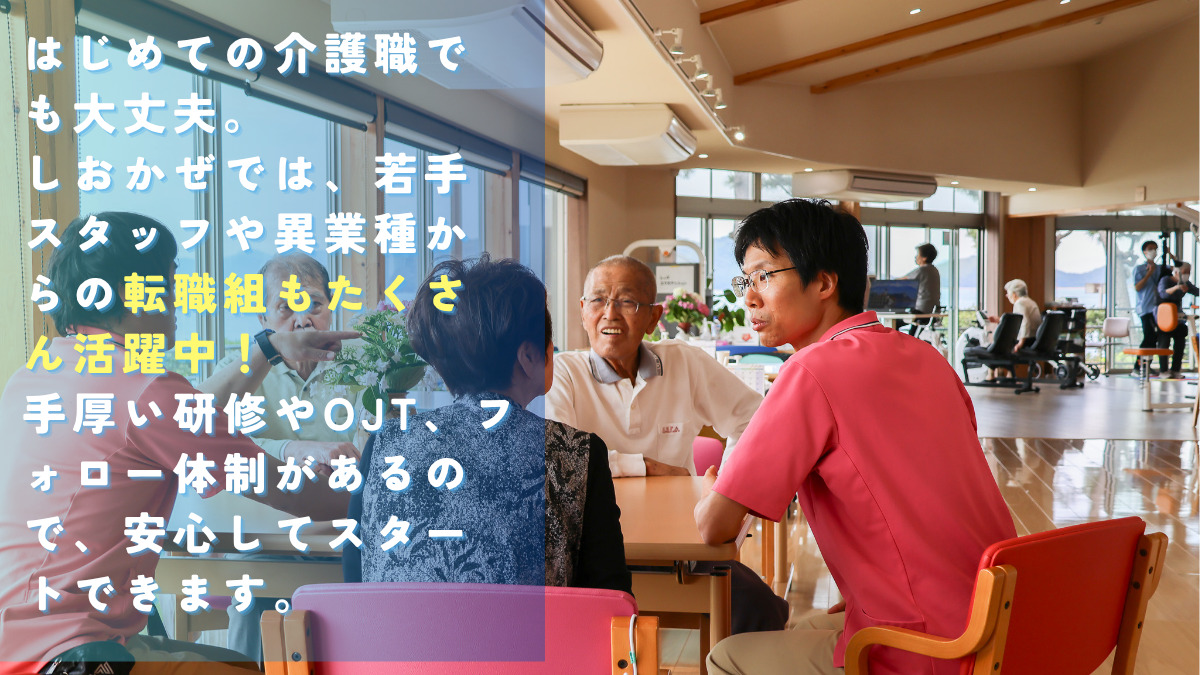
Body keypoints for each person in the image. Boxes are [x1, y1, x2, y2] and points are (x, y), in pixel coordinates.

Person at [0, 213, 356, 675]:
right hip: (69, 656)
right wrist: (390, 499)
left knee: (245, 664)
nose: (175, 303)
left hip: (20, 641)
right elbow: (296, 492)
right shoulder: (144, 387)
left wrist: (269, 349)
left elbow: (189, 416)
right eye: (167, 287)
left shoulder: (33, 375)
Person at [694, 199, 1015, 675]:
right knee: (801, 629)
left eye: (765, 275)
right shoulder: (926, 357)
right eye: (746, 280)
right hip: (1002, 621)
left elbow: (715, 527)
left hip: (930, 648)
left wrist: (707, 491)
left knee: (725, 658)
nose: (750, 297)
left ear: (824, 282)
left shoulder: (809, 370)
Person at [357, 255, 631, 593]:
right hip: (529, 647)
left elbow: (357, 587)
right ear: (530, 356)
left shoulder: (384, 445)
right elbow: (609, 601)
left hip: (394, 647)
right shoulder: (576, 453)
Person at [545, 255, 788, 635]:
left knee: (757, 605)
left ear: (654, 317)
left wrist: (726, 485)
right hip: (591, 550)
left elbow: (756, 419)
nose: (610, 313)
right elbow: (559, 458)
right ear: (581, 311)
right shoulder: (564, 373)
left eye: (627, 301)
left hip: (684, 551)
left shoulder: (684, 363)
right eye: (597, 300)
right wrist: (647, 465)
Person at [199, 252, 361, 662]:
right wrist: (292, 449)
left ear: (330, 308)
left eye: (315, 306)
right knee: (255, 582)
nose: (303, 320)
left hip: (341, 530)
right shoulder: (242, 368)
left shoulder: (364, 365)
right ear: (264, 320)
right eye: (286, 307)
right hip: (264, 535)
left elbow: (376, 439)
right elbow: (212, 436)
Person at [984, 279, 1041, 381]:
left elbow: (1025, 323)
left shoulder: (1019, 303)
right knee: (1003, 346)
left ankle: (991, 375)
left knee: (993, 349)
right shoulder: (1031, 302)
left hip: (1027, 341)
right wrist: (999, 319)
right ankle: (1008, 374)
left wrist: (1021, 343)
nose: (1007, 296)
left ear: (1014, 294)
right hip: (1033, 340)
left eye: (1008, 293)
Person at [1155, 262, 1199, 378]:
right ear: (1177, 271)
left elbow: (1196, 292)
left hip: (1178, 316)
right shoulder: (1166, 280)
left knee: (1180, 343)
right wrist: (1176, 287)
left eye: (1188, 272)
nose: (1186, 275)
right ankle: (1163, 370)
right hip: (1164, 315)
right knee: (1164, 343)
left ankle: (1175, 370)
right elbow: (1163, 293)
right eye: (1184, 272)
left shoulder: (1186, 283)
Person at [1133, 241, 1171, 372]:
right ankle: (1138, 366)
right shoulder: (1139, 269)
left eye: (1155, 249)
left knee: (1154, 338)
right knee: (1148, 336)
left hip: (1158, 309)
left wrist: (1170, 254)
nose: (1153, 251)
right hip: (1145, 308)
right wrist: (1149, 273)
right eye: (1150, 249)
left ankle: (1146, 366)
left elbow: (1177, 269)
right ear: (1144, 252)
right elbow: (1137, 287)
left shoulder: (1161, 268)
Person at [901, 243, 940, 335]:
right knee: (913, 331)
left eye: (917, 255)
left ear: (924, 258)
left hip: (922, 311)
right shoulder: (935, 270)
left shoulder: (923, 270)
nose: (916, 257)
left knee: (896, 321)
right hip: (932, 311)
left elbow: (904, 280)